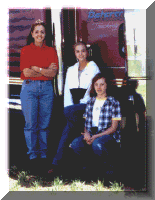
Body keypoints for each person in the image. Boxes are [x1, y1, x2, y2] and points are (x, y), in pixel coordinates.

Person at [48, 42, 100, 173]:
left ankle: (56, 164)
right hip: (74, 110)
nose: (81, 54)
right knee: (68, 128)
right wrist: (69, 109)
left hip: (88, 106)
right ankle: (56, 163)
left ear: (87, 52)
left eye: (83, 51)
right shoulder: (71, 70)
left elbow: (93, 90)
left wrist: (71, 110)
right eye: (78, 51)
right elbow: (67, 92)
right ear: (75, 53)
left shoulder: (93, 68)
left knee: (68, 125)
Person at [20, 19, 59, 173]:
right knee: (30, 125)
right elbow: (26, 72)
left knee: (44, 124)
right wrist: (44, 70)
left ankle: (43, 156)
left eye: (42, 32)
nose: (39, 34)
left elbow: (53, 73)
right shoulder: (25, 50)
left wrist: (37, 68)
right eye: (36, 31)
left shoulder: (51, 51)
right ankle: (32, 157)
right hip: (29, 88)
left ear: (45, 35)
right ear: (32, 34)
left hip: (46, 90)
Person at [69, 73, 122, 179]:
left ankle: (108, 170)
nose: (99, 87)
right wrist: (87, 133)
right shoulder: (90, 102)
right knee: (75, 143)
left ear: (107, 86)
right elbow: (85, 123)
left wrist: (96, 137)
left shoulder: (113, 102)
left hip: (107, 135)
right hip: (92, 133)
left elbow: (113, 128)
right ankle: (88, 168)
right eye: (96, 84)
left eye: (102, 84)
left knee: (97, 144)